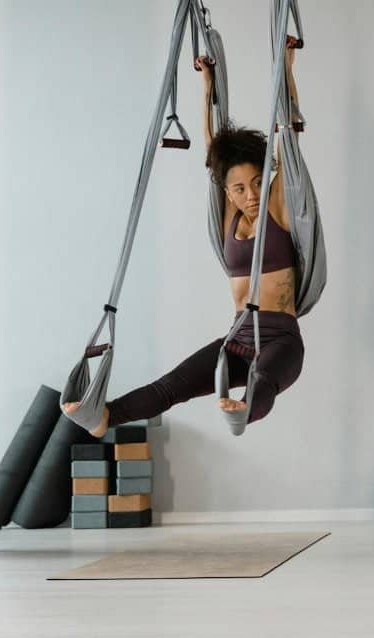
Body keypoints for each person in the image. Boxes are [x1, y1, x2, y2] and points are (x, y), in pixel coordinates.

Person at [64, 37, 307, 438]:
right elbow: (214, 152)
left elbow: (290, 141)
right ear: (227, 191)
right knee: (172, 386)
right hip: (237, 338)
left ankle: (243, 411)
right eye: (240, 188)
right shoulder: (229, 212)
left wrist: (287, 68)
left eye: (257, 184)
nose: (250, 196)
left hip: (281, 343)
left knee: (261, 382)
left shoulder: (276, 209)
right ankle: (104, 416)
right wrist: (208, 86)